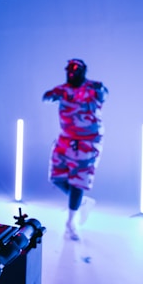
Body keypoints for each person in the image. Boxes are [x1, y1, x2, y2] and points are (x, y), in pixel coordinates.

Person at [42, 59, 108, 240]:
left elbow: (104, 95)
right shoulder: (62, 90)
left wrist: (101, 92)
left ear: (83, 71)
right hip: (66, 139)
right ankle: (81, 202)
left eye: (75, 70)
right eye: (69, 70)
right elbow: (47, 96)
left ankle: (71, 222)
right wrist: (51, 97)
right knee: (56, 178)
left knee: (78, 181)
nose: (71, 73)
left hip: (88, 142)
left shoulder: (94, 87)